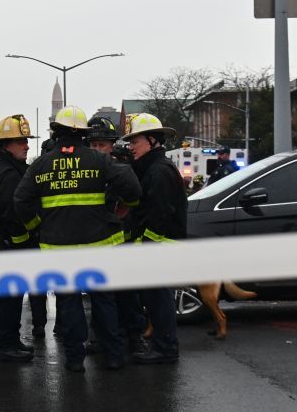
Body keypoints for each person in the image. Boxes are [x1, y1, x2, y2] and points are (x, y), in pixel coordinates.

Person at [15, 107, 141, 373]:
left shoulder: (40, 164)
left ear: (56, 133)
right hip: (99, 246)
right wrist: (126, 205)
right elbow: (130, 183)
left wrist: (36, 226)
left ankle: (74, 360)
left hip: (58, 249)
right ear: (83, 133)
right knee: (104, 301)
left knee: (68, 302)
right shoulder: (99, 159)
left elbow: (21, 200)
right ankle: (114, 356)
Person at [124, 113, 188, 364]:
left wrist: (147, 246)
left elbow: (160, 215)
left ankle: (166, 348)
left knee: (159, 300)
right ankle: (163, 343)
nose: (131, 148)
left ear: (152, 140)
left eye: (135, 142)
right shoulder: (152, 168)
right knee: (155, 299)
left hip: (160, 247)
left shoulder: (159, 171)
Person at [0, 115, 39, 362]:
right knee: (10, 299)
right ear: (5, 145)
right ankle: (4, 346)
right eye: (20, 141)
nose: (26, 145)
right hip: (9, 246)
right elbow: (12, 214)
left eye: (25, 140)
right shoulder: (11, 174)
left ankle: (10, 340)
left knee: (8, 298)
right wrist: (27, 237)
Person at [86, 116, 147, 355]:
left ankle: (135, 336)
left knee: (127, 293)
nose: (97, 150)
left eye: (102, 145)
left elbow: (134, 197)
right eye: (93, 145)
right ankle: (100, 337)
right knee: (99, 295)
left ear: (112, 145)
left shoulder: (122, 168)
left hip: (122, 240)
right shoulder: (85, 172)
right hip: (95, 240)